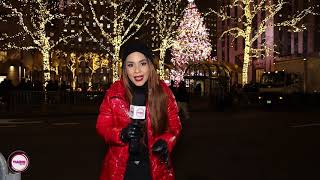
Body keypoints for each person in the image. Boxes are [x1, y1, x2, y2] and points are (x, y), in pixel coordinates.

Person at [96, 41, 182, 180]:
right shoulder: (114, 93)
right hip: (121, 169)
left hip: (154, 168)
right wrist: (121, 134)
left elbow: (175, 127)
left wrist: (166, 142)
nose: (137, 70)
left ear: (150, 65)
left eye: (142, 63)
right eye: (130, 65)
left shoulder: (164, 92)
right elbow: (102, 126)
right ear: (125, 69)